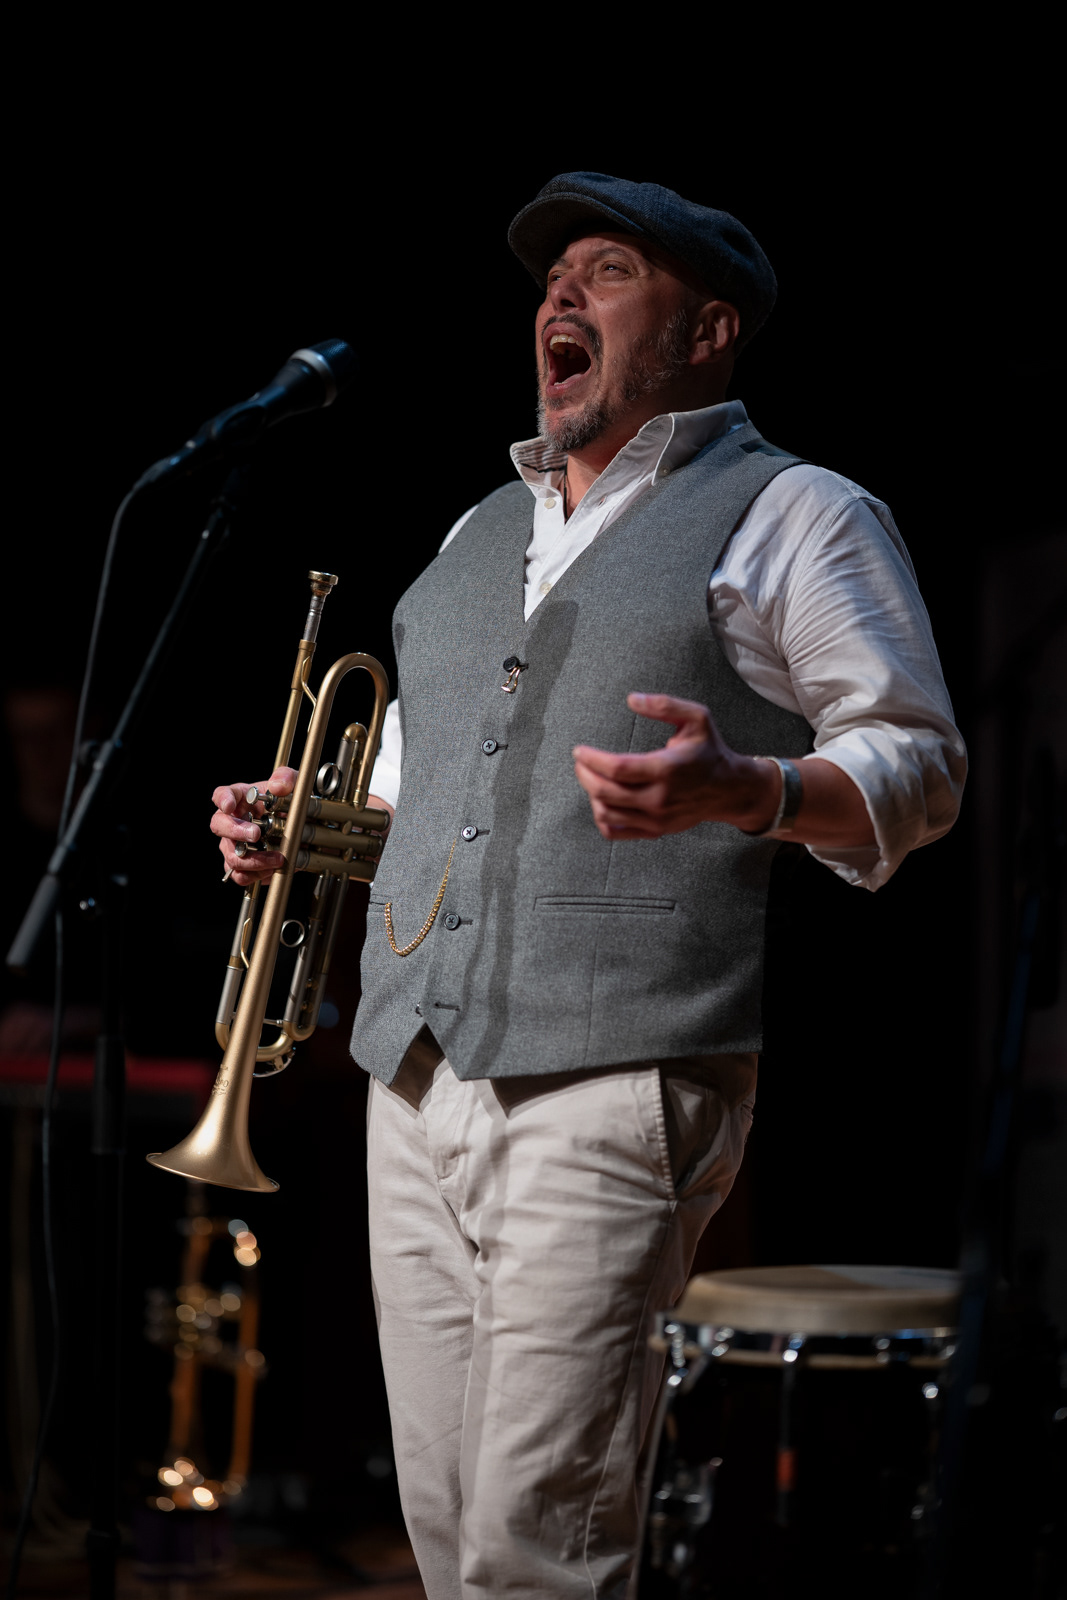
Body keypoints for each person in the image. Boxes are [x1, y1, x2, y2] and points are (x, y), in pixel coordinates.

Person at [210, 173, 966, 1599]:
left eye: (608, 271)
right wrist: (298, 828)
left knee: (538, 1548)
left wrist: (751, 788)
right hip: (412, 1075)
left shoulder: (795, 511)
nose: (561, 295)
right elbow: (415, 803)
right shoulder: (470, 538)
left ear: (707, 330)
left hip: (618, 1070)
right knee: (447, 1535)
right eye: (552, 280)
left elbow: (918, 764)